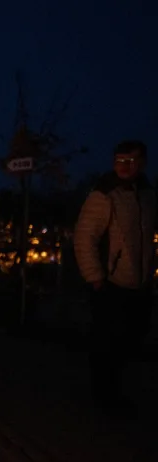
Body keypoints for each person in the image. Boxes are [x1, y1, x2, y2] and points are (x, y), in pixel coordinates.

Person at [73, 140, 156, 411]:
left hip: (139, 283)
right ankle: (106, 399)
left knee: (131, 338)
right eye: (119, 160)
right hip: (112, 283)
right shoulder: (104, 195)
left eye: (130, 161)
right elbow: (85, 236)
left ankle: (111, 392)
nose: (124, 166)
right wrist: (96, 277)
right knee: (109, 343)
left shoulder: (146, 194)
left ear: (142, 163)